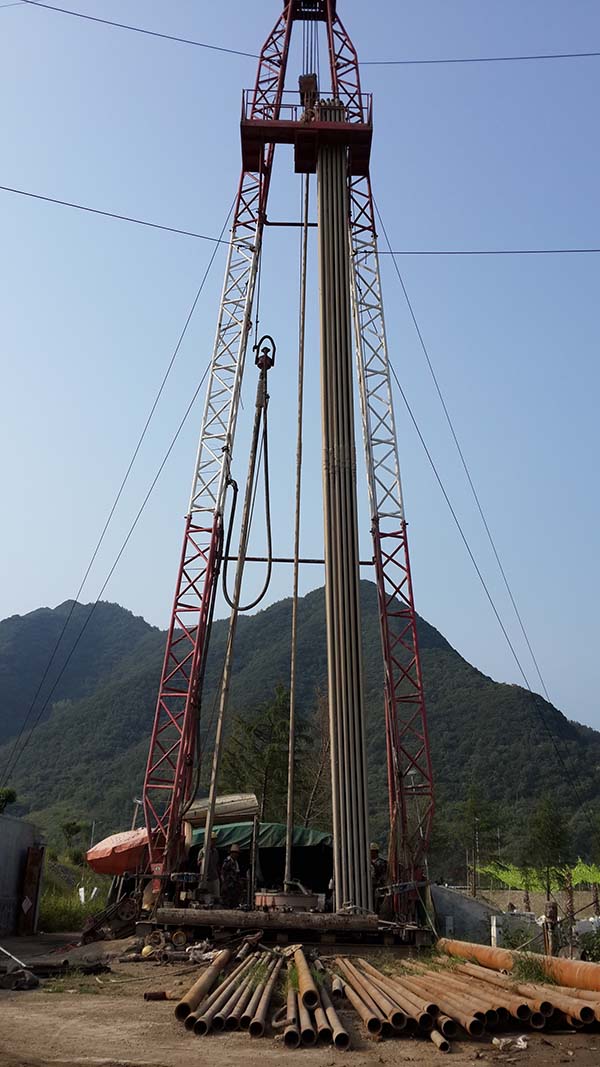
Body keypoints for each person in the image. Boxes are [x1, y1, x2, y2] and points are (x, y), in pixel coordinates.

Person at [198, 831, 221, 902]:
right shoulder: (202, 851)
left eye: (215, 840)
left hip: (214, 877)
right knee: (202, 895)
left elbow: (216, 864)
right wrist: (203, 860)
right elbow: (198, 863)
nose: (214, 842)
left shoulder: (216, 852)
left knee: (216, 896)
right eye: (213, 840)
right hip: (205, 877)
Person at [221, 843, 244, 909]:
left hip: (234, 885)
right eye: (235, 853)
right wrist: (225, 882)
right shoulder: (227, 861)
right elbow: (223, 872)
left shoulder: (236, 862)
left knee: (234, 900)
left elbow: (237, 872)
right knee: (227, 901)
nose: (237, 855)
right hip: (228, 884)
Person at [370, 842, 387, 912]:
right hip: (370, 887)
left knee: (376, 905)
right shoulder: (367, 862)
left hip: (377, 888)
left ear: (375, 852)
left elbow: (383, 876)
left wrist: (378, 883)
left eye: (371, 851)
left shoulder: (381, 863)